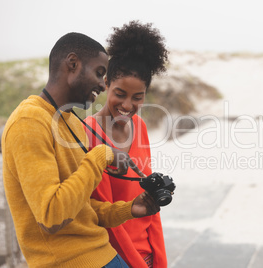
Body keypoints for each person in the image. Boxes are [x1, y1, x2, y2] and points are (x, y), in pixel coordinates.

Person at [1, 32, 160, 268]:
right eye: (99, 73)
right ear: (73, 64)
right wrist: (102, 155)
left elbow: (82, 208)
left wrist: (129, 209)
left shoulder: (72, 123)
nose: (101, 84)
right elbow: (52, 215)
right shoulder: (29, 120)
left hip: (102, 254)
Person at [83, 21, 169, 268]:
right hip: (115, 259)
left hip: (148, 256)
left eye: (137, 97)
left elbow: (151, 208)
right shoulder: (88, 134)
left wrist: (159, 260)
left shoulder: (140, 127)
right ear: (106, 83)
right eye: (120, 93)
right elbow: (106, 217)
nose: (128, 105)